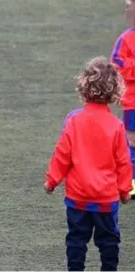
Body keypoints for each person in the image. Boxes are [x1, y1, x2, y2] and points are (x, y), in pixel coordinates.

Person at [44, 56, 133, 271]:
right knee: (109, 241)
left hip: (77, 197)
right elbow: (123, 161)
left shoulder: (74, 121)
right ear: (114, 92)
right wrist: (124, 190)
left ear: (84, 87)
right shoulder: (116, 126)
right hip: (105, 198)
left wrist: (52, 180)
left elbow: (62, 154)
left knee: (76, 239)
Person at [111, 0, 135, 198]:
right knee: (132, 141)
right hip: (133, 103)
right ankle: (132, 184)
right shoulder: (126, 39)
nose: (127, 9)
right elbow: (117, 64)